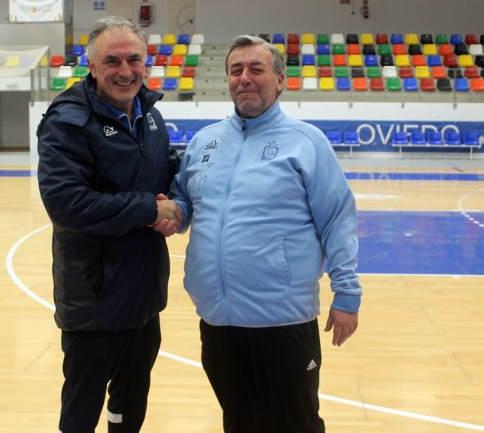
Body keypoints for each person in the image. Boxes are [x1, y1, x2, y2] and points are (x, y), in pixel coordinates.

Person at [167, 35, 363, 433]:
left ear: (280, 80)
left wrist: (347, 292)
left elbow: (337, 220)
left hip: (283, 320)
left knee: (296, 424)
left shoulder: (307, 142)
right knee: (239, 422)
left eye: (256, 69)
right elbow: (184, 202)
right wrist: (173, 212)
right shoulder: (204, 142)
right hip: (218, 321)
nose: (245, 78)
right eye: (235, 70)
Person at [36, 16, 180, 433]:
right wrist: (149, 210)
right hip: (93, 300)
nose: (125, 70)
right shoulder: (67, 122)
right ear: (92, 66)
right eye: (112, 61)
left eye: (134, 59)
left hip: (144, 293)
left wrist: (180, 202)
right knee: (82, 411)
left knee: (130, 403)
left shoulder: (151, 116)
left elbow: (164, 173)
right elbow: (67, 205)